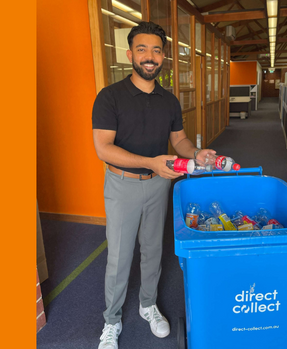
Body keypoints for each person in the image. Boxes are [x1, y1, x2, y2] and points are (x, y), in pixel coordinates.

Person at [92, 21, 215, 349]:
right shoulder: (110, 97)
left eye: (157, 50)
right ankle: (111, 321)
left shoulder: (169, 100)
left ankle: (148, 305)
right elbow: (103, 148)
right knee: (119, 257)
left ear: (164, 58)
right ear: (130, 54)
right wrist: (150, 162)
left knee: (153, 250)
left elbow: (181, 141)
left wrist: (197, 154)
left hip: (159, 185)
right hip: (122, 185)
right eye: (143, 49)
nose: (150, 56)